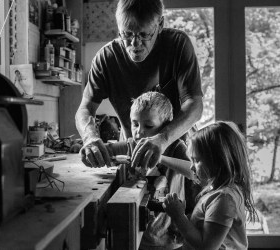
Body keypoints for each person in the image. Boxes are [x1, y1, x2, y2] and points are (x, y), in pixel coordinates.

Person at [75, 0, 203, 170]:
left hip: (178, 152)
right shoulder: (106, 59)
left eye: (144, 35)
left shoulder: (177, 45)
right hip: (134, 153)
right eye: (126, 34)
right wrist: (89, 137)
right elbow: (85, 109)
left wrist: (162, 139)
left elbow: (194, 105)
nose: (135, 44)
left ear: (160, 24)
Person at [106, 91, 201, 249]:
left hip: (170, 236)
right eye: (135, 123)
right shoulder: (131, 145)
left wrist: (161, 158)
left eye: (148, 126)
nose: (139, 131)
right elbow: (107, 150)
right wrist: (88, 147)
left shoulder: (175, 147)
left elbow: (194, 172)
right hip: (139, 236)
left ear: (165, 127)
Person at [162, 121, 258, 250]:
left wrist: (179, 216)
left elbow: (206, 247)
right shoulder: (218, 192)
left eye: (196, 160)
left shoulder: (223, 199)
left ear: (218, 159)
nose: (191, 166)